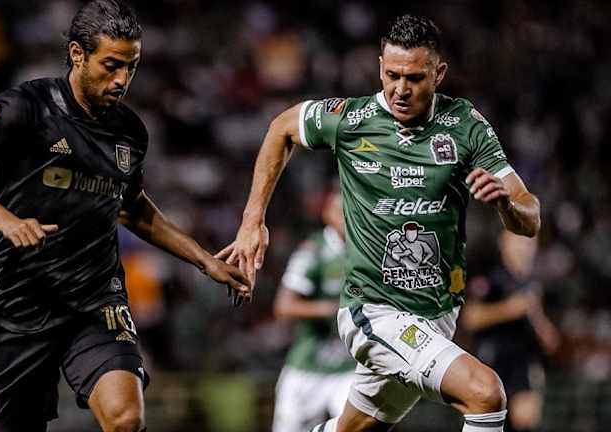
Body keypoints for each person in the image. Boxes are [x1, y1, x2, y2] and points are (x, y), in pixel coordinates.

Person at [0, 1, 249, 431]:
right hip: (22, 304)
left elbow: (133, 208)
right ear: (78, 54)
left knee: (126, 419)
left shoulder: (130, 132)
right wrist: (7, 220)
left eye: (131, 67)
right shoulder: (23, 107)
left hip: (96, 301)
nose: (122, 80)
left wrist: (204, 259)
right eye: (112, 65)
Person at [218, 14, 541, 432]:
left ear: (439, 74)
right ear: (380, 68)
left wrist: (505, 205)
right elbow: (281, 127)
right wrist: (252, 220)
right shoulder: (351, 119)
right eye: (392, 75)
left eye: (415, 78)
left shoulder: (465, 125)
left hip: (438, 315)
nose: (401, 89)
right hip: (374, 311)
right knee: (486, 393)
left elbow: (529, 217)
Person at [272, 190, 359, 432]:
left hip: (349, 366)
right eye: (340, 212)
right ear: (326, 214)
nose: (346, 218)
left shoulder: (366, 250)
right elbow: (283, 307)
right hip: (309, 364)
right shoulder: (313, 251)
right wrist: (333, 309)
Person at [462, 231, 560, 432]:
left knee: (525, 422)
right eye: (519, 242)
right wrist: (509, 309)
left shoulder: (533, 283)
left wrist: (539, 322)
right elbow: (471, 318)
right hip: (493, 359)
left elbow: (549, 339)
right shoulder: (490, 276)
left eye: (529, 244)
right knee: (490, 422)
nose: (524, 248)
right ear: (504, 243)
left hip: (524, 360)